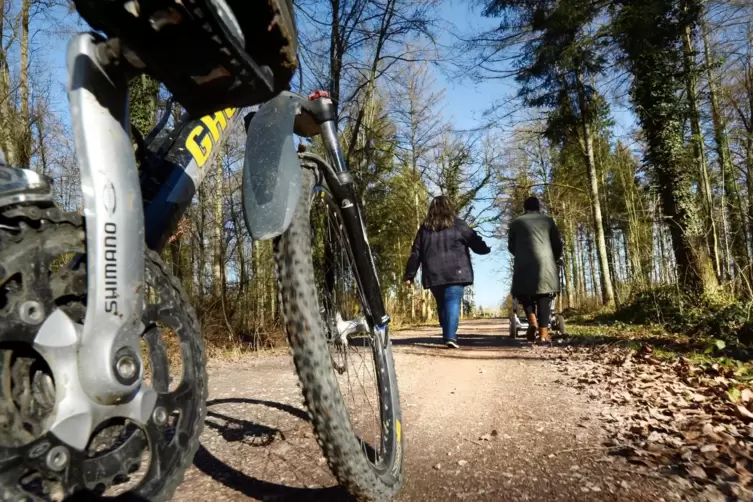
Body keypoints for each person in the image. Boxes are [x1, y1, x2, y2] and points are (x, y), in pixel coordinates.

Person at [403, 196, 491, 348]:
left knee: (442, 303)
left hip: (433, 273)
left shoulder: (424, 229)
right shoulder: (458, 224)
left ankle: (447, 333)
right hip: (456, 272)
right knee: (452, 301)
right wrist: (484, 249)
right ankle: (450, 335)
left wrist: (409, 275)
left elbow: (415, 253)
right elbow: (474, 240)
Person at [508, 196, 564, 343]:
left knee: (524, 295)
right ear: (538, 207)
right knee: (543, 296)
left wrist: (521, 254)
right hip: (545, 262)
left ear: (524, 208)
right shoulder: (548, 221)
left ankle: (532, 324)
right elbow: (557, 244)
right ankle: (544, 334)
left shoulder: (516, 223)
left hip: (523, 264)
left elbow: (511, 246)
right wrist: (554, 258)